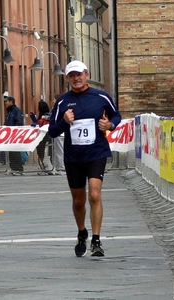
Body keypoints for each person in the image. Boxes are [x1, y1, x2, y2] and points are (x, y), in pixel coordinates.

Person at [48, 60, 122, 257]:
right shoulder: (63, 102)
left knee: (95, 195)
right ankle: (82, 232)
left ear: (86, 74)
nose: (76, 78)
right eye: (72, 75)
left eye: (79, 74)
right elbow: (52, 131)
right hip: (73, 156)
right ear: (67, 79)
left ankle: (96, 240)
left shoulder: (101, 96)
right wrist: (64, 122)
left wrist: (110, 125)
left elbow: (117, 116)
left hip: (97, 152)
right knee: (79, 200)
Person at [4, 96, 24, 175]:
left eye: (7, 101)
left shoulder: (16, 111)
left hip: (15, 134)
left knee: (16, 152)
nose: (5, 103)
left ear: (11, 102)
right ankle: (13, 168)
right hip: (9, 135)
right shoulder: (9, 112)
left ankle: (19, 169)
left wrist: (14, 130)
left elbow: (18, 122)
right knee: (11, 152)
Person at [32, 101, 53, 172]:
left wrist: (36, 122)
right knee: (41, 150)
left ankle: (46, 165)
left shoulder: (46, 115)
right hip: (42, 136)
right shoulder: (41, 116)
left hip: (45, 136)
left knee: (43, 150)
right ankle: (43, 165)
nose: (37, 108)